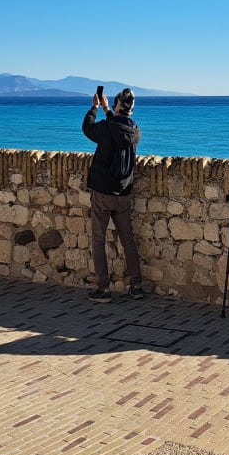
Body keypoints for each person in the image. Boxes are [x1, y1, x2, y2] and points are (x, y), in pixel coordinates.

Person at [82, 87, 143, 303]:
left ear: (118, 105)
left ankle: (103, 289)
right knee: (128, 240)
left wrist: (95, 108)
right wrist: (108, 110)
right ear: (131, 109)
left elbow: (88, 128)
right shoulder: (135, 132)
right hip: (123, 193)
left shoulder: (106, 128)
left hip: (102, 192)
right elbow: (118, 127)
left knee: (98, 240)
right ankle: (136, 286)